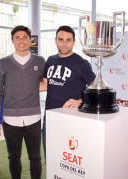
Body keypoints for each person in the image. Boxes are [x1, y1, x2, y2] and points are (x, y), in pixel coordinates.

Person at [0, 25, 45, 179]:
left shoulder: (40, 61)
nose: (21, 41)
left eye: (25, 37)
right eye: (17, 37)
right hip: (10, 121)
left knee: (35, 158)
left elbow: (45, 83)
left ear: (30, 40)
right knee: (13, 158)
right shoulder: (3, 63)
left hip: (34, 119)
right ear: (12, 41)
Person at [40, 25, 95, 158]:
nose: (64, 44)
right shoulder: (50, 60)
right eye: (61, 39)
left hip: (70, 119)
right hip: (50, 117)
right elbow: (45, 85)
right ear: (55, 40)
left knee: (68, 161)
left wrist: (80, 101)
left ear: (74, 42)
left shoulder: (81, 63)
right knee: (51, 158)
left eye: (68, 40)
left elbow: (95, 87)